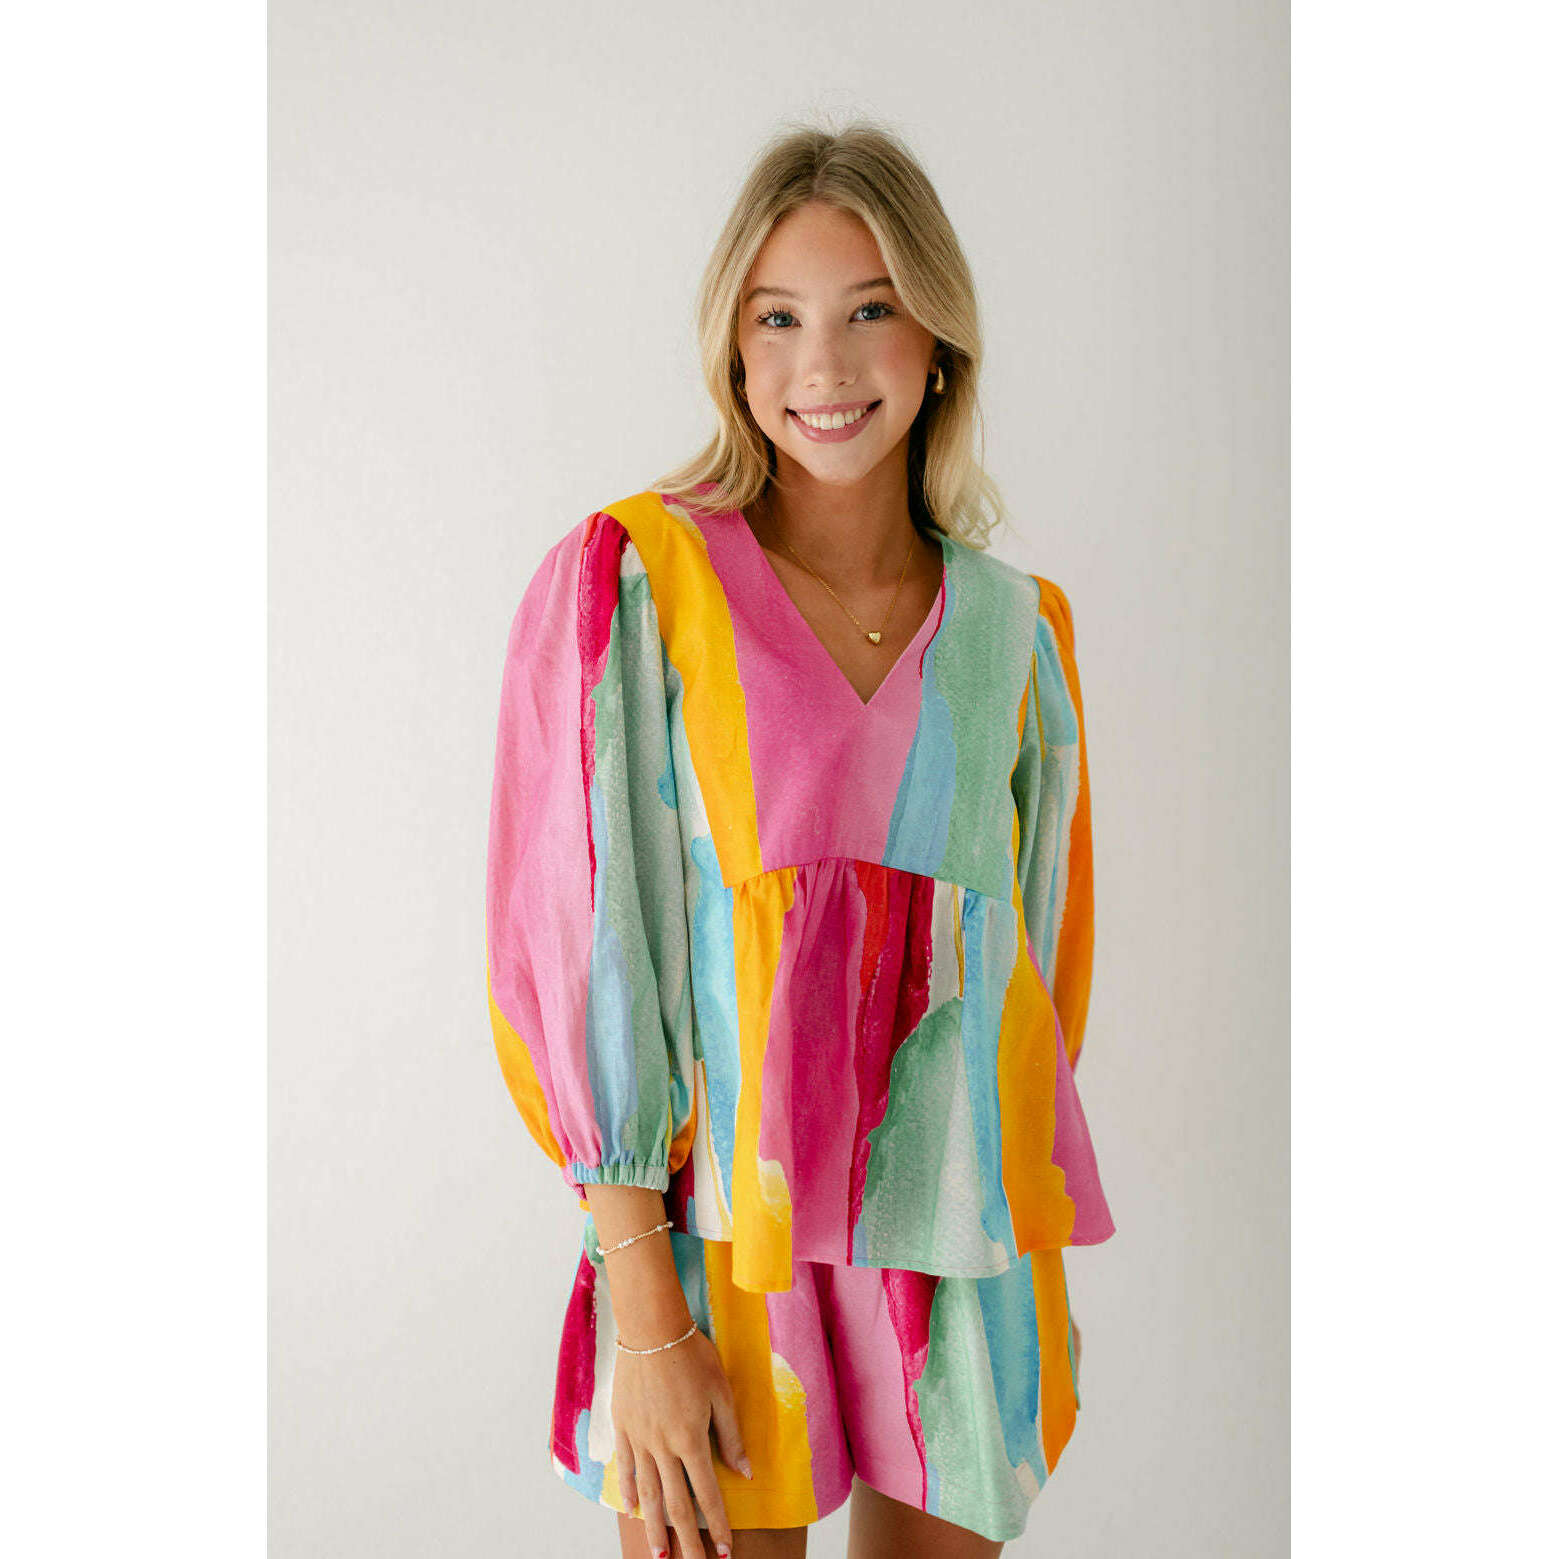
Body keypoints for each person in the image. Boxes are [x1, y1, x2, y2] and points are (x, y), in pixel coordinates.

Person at [485, 120, 1115, 1559]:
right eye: (778, 319)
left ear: (938, 341)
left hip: (959, 1259)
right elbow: (581, 953)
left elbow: (1038, 974)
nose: (822, 366)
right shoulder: (636, 582)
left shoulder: (1020, 635)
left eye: (868, 310)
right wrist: (646, 1312)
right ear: (734, 348)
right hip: (714, 1253)